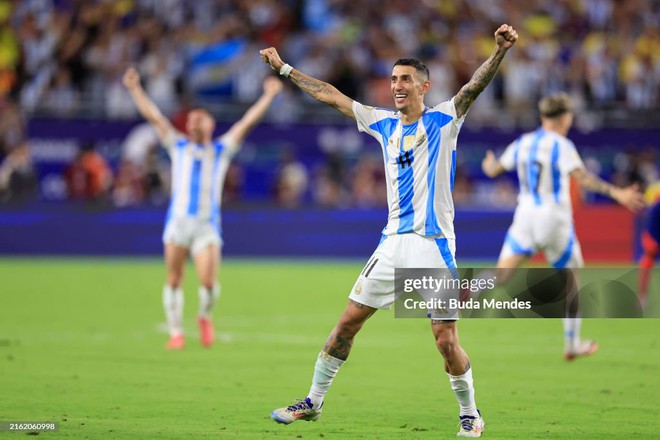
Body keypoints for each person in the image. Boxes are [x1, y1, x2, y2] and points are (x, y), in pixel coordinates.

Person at [261, 23, 519, 437]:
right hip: (391, 245)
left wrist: (500, 52)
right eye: (394, 79)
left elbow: (473, 86)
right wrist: (285, 69)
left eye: (406, 80)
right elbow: (332, 95)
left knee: (444, 340)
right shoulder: (381, 124)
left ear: (424, 86)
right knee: (347, 323)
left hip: (434, 246)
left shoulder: (444, 120)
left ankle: (470, 413)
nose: (397, 86)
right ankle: (313, 401)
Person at [123, 67, 283, 350]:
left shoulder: (222, 149)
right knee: (173, 278)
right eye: (191, 119)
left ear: (210, 124)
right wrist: (135, 88)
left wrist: (268, 96)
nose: (194, 123)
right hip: (178, 223)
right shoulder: (178, 145)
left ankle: (204, 316)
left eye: (200, 119)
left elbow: (246, 122)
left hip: (207, 225)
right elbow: (154, 117)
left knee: (208, 282)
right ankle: (176, 333)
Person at [481, 92, 645, 360]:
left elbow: (494, 169)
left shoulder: (523, 142)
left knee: (501, 275)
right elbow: (583, 178)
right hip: (554, 220)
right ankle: (572, 344)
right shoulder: (561, 145)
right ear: (564, 117)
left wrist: (488, 165)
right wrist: (617, 193)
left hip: (525, 218)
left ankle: (460, 294)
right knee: (571, 282)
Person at [638, 181, 660, 308]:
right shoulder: (656, 207)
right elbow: (651, 227)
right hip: (654, 237)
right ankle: (642, 297)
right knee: (646, 264)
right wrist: (651, 242)